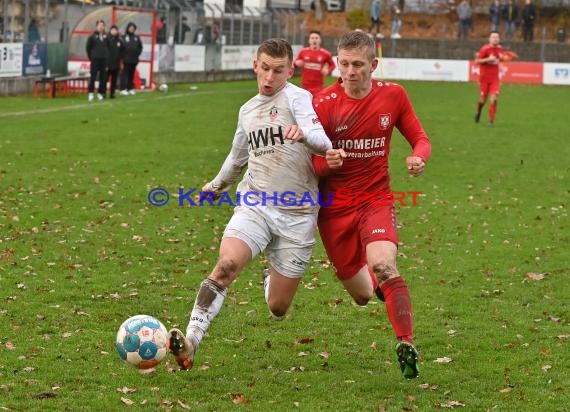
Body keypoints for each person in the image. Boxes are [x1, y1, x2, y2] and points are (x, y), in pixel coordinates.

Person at [167, 38, 333, 371]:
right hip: (255, 204)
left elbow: (324, 143)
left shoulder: (299, 98)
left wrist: (303, 134)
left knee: (278, 307)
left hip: (297, 215)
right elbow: (236, 158)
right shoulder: (247, 110)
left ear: (290, 70)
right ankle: (190, 342)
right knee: (227, 265)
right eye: (265, 68)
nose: (270, 77)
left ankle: (270, 277)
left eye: (279, 70)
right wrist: (216, 186)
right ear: (255, 64)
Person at [311, 31, 431, 380]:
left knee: (383, 266)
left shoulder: (393, 95)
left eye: (358, 65)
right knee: (363, 295)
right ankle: (385, 294)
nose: (350, 71)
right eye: (344, 64)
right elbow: (309, 166)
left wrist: (417, 157)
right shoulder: (322, 103)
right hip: (333, 208)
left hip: (375, 199)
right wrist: (326, 163)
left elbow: (420, 138)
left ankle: (405, 342)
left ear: (373, 65)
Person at [474, 31, 507, 126]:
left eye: (497, 37)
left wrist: (506, 58)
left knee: (494, 98)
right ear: (489, 39)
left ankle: (491, 121)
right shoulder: (485, 49)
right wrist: (488, 59)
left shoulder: (500, 49)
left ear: (499, 39)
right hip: (484, 78)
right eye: (493, 37)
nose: (495, 38)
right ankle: (478, 111)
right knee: (482, 100)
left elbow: (501, 59)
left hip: (494, 79)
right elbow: (477, 61)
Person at [294, 31, 336, 96]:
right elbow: (295, 62)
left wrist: (328, 70)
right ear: (309, 40)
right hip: (305, 86)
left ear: (320, 40)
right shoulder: (303, 51)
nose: (314, 40)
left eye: (316, 38)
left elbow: (333, 65)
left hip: (318, 87)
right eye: (312, 38)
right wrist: (297, 63)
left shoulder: (325, 53)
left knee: (316, 105)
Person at [86, 20, 109, 102]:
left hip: (104, 60)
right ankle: (90, 93)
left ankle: (100, 93)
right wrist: (92, 57)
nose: (101, 26)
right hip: (95, 60)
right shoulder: (92, 37)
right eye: (99, 25)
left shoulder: (106, 36)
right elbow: (88, 49)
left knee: (103, 77)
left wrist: (106, 57)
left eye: (102, 25)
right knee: (93, 77)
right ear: (96, 26)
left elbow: (109, 48)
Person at [120, 22, 143, 95]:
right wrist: (122, 56)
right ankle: (122, 89)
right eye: (130, 28)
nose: (131, 29)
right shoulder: (123, 37)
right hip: (125, 59)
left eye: (133, 28)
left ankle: (130, 88)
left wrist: (137, 54)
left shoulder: (137, 37)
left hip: (134, 59)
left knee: (131, 74)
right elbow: (120, 48)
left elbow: (140, 47)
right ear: (127, 28)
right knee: (124, 74)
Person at [106, 25, 124, 99]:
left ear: (117, 31)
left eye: (115, 30)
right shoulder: (106, 39)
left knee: (114, 80)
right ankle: (102, 93)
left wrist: (121, 61)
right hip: (107, 63)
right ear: (110, 31)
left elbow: (123, 51)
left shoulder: (120, 41)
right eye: (112, 30)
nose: (114, 31)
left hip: (116, 64)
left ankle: (112, 94)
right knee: (104, 79)